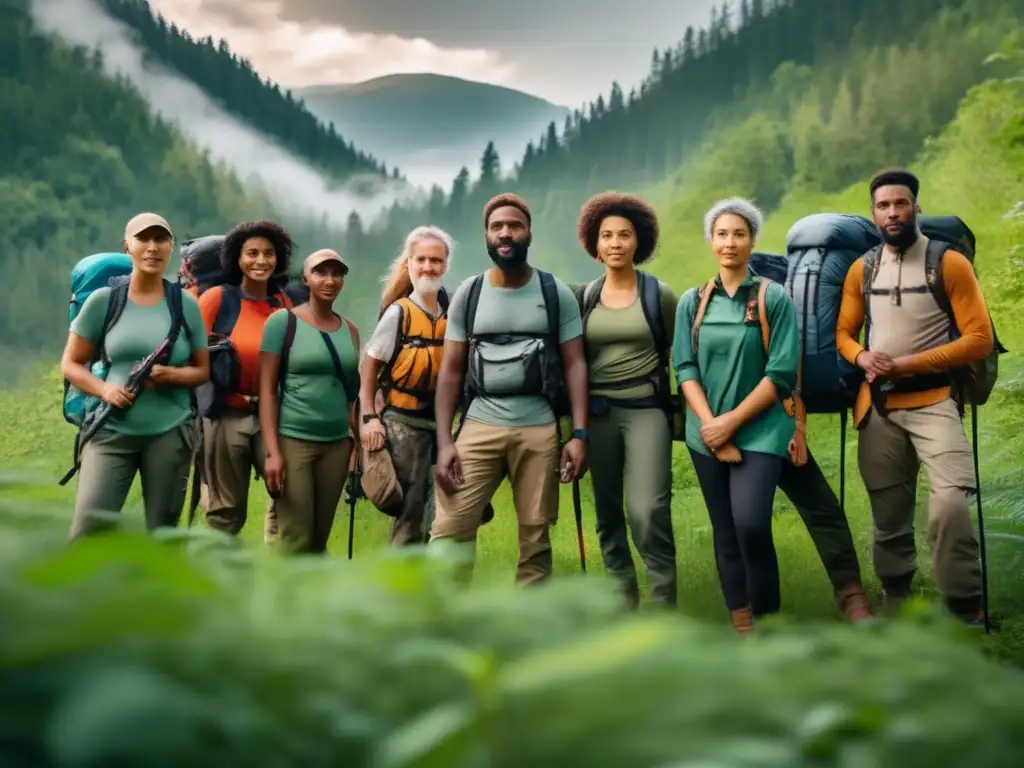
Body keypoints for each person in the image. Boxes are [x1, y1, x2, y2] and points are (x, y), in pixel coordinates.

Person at [835, 168, 993, 623]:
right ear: (873, 212)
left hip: (936, 400)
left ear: (916, 206)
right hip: (878, 407)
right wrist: (862, 357)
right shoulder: (861, 268)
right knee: (889, 514)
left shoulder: (948, 263)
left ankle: (965, 604)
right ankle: (897, 596)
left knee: (950, 503)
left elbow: (978, 338)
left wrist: (906, 364)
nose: (892, 212)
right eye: (883, 206)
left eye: (900, 203)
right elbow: (844, 333)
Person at [432, 193, 590, 585]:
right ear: (486, 235)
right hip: (479, 423)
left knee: (535, 537)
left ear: (528, 233)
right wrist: (444, 442)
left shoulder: (556, 294)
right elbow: (450, 372)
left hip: (539, 427)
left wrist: (580, 435)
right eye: (497, 227)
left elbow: (575, 365)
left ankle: (525, 632)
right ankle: (441, 625)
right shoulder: (468, 294)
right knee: (449, 530)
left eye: (514, 226)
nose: (506, 233)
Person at [673, 198, 800, 634]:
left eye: (739, 234)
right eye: (722, 234)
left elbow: (780, 373)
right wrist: (711, 424)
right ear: (711, 241)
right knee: (724, 530)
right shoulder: (693, 302)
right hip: (704, 432)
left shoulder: (773, 297)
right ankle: (743, 626)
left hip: (761, 430)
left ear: (752, 241)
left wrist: (730, 424)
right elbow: (684, 367)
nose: (730, 242)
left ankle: (770, 622)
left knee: (751, 524)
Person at [61, 212, 209, 539]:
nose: (153, 247)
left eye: (161, 239)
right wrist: (105, 391)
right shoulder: (104, 301)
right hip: (110, 428)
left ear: (171, 247)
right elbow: (71, 364)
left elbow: (202, 370)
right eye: (144, 238)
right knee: (88, 532)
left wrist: (171, 375)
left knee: (164, 538)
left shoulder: (186, 305)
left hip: (171, 432)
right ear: (127, 246)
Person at [573, 192, 678, 608]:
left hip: (646, 410)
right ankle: (622, 597)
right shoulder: (585, 298)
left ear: (639, 242)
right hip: (599, 413)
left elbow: (676, 351)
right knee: (607, 511)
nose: (615, 243)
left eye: (624, 235)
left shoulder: (660, 295)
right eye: (607, 236)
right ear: (595, 245)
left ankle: (663, 602)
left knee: (648, 508)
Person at [258, 249, 360, 554]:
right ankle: (279, 599)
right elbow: (266, 390)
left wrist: (355, 442)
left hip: (337, 444)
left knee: (319, 539)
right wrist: (272, 452)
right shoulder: (283, 322)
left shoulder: (351, 330)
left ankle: (311, 600)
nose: (329, 280)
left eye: (336, 273)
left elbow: (351, 392)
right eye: (321, 272)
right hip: (294, 440)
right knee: (294, 536)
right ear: (306, 278)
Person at [198, 221, 293, 539]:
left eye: (268, 253)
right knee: (226, 512)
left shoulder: (281, 303)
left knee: (288, 501)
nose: (261, 261)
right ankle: (219, 580)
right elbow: (191, 356)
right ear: (236, 258)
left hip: (274, 417)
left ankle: (279, 577)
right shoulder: (215, 300)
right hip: (226, 415)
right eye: (252, 253)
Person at [359, 226, 453, 545]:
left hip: (442, 427)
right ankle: (401, 588)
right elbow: (369, 371)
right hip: (404, 425)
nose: (429, 267)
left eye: (436, 261)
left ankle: (436, 586)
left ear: (446, 265)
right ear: (409, 264)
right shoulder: (399, 313)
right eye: (422, 260)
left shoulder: (453, 312)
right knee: (410, 516)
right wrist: (370, 417)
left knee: (444, 513)